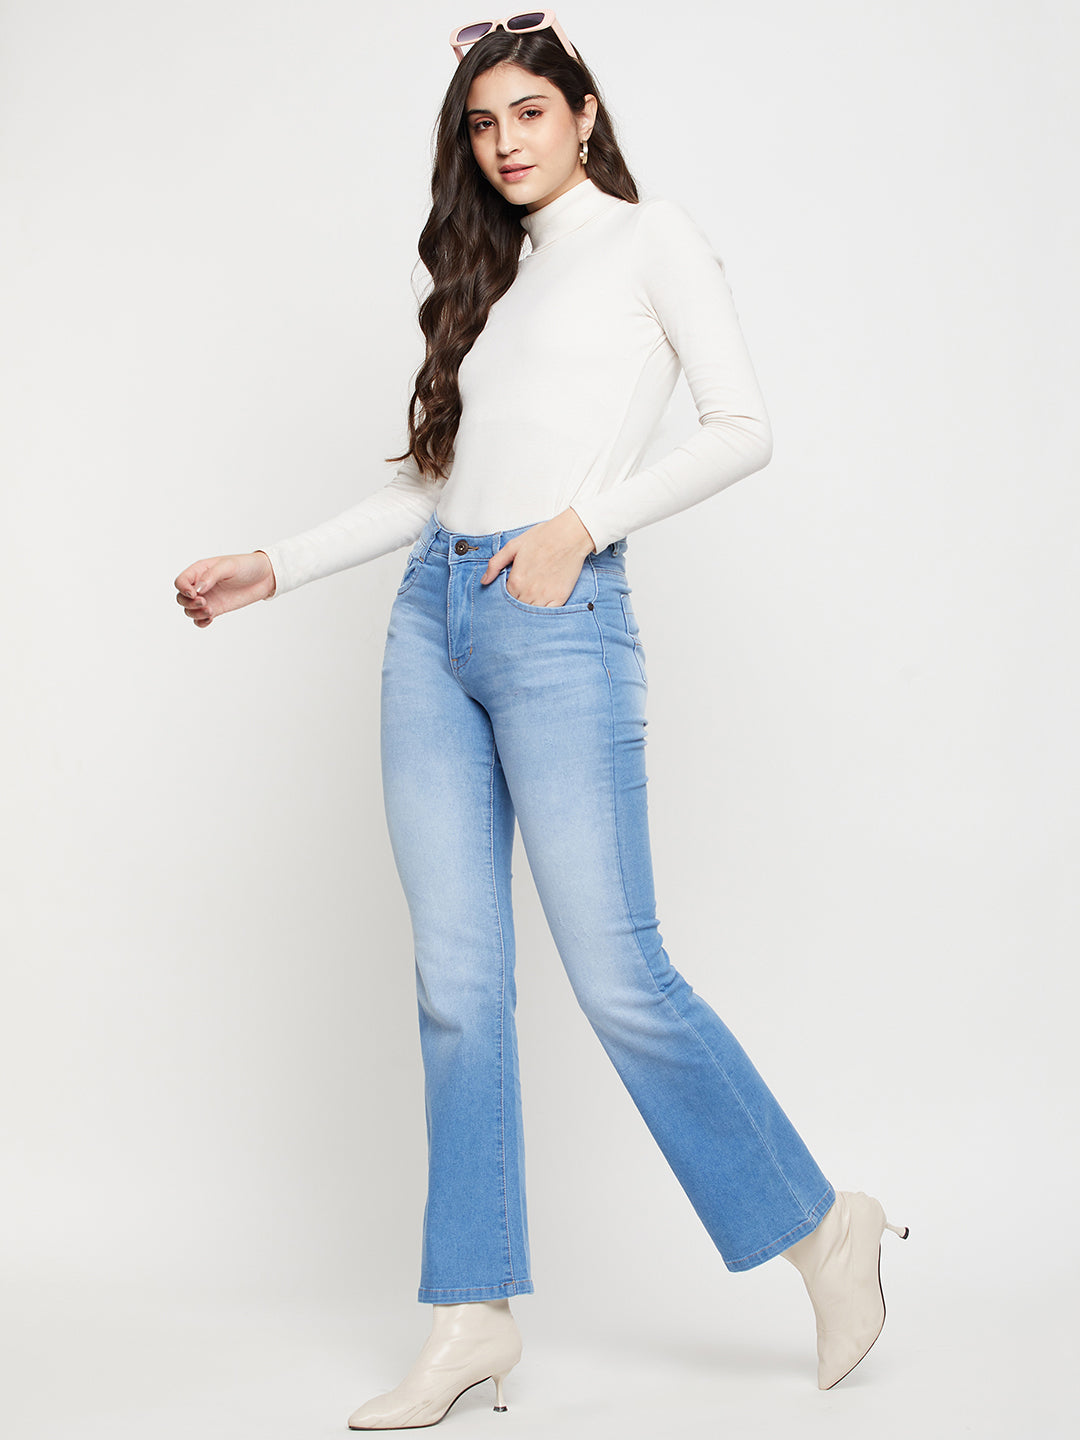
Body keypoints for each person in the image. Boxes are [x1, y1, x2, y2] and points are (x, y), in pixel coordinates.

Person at [174, 13, 909, 1431]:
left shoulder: (650, 238)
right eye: (481, 123)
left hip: (558, 619)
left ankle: (826, 1232)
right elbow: (435, 483)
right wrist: (278, 563)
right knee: (457, 983)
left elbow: (742, 427)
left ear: (583, 113)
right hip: (429, 623)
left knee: (619, 973)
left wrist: (584, 524)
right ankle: (472, 1317)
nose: (505, 142)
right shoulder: (494, 281)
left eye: (528, 112)